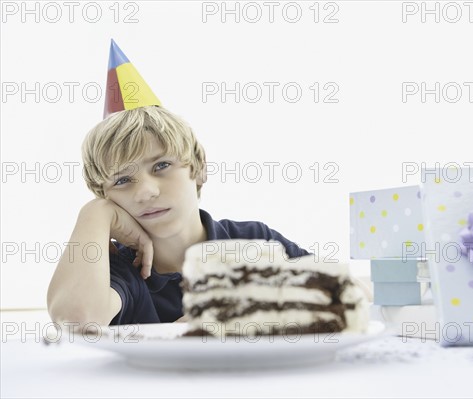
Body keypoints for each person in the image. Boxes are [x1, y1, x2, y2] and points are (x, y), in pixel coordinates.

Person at [46, 41, 309, 326]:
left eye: (161, 166)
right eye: (122, 180)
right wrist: (95, 213)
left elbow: (348, 290)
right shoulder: (119, 271)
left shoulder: (254, 240)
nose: (146, 191)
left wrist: (240, 309)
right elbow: (76, 319)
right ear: (105, 194)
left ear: (198, 168)